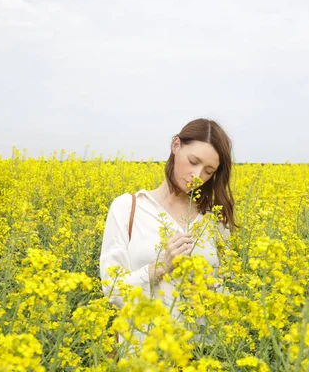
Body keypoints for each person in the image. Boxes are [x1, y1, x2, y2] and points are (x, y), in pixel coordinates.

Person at [99, 118, 236, 351]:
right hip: (143, 358)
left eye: (208, 171)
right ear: (175, 146)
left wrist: (211, 291)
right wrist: (161, 267)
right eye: (193, 161)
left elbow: (227, 292)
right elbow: (112, 291)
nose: (197, 175)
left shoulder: (213, 221)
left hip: (199, 357)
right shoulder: (127, 209)